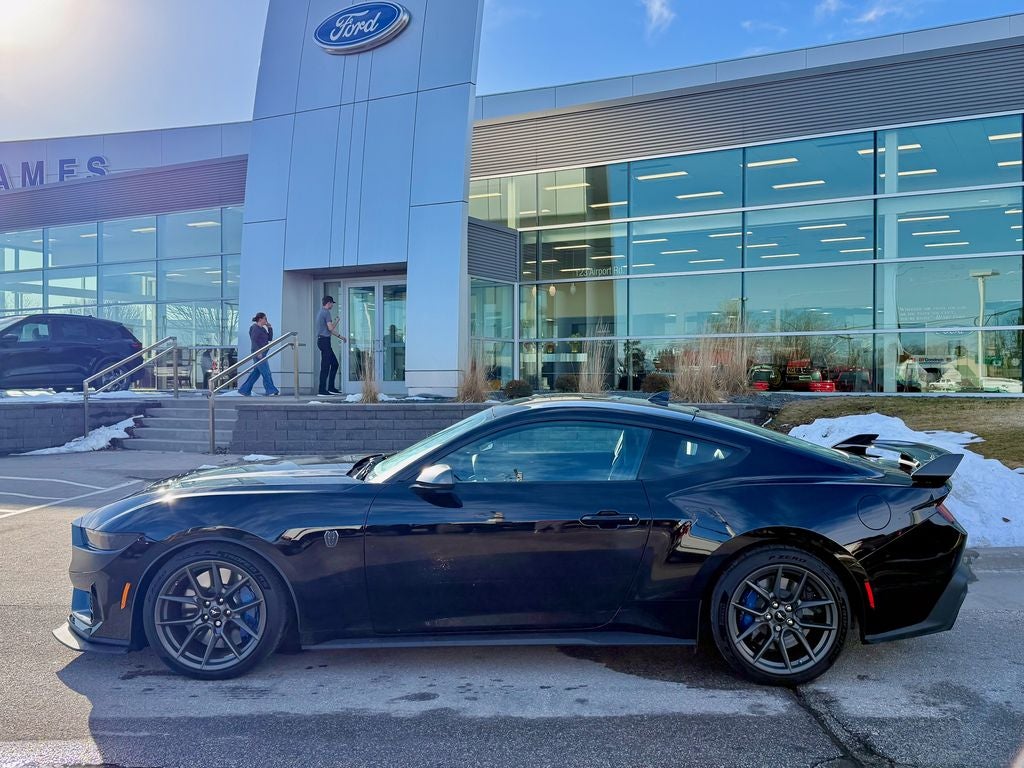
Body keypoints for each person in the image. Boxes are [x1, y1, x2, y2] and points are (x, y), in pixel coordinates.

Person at [239, 312, 280, 397]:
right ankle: (271, 390)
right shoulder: (255, 328)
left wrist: (270, 327)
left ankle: (244, 390)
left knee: (256, 373)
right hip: (258, 353)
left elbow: (270, 338)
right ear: (260, 319)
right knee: (266, 372)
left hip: (263, 353)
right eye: (265, 318)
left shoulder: (263, 329)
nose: (266, 320)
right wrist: (258, 352)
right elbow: (253, 341)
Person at [316, 296, 347, 395]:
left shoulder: (321, 312)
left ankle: (331, 388)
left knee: (334, 364)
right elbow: (330, 328)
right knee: (325, 366)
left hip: (323, 341)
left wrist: (340, 336)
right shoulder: (326, 312)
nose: (333, 305)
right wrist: (337, 322)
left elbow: (329, 329)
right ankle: (322, 390)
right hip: (324, 341)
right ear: (328, 303)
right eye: (332, 303)